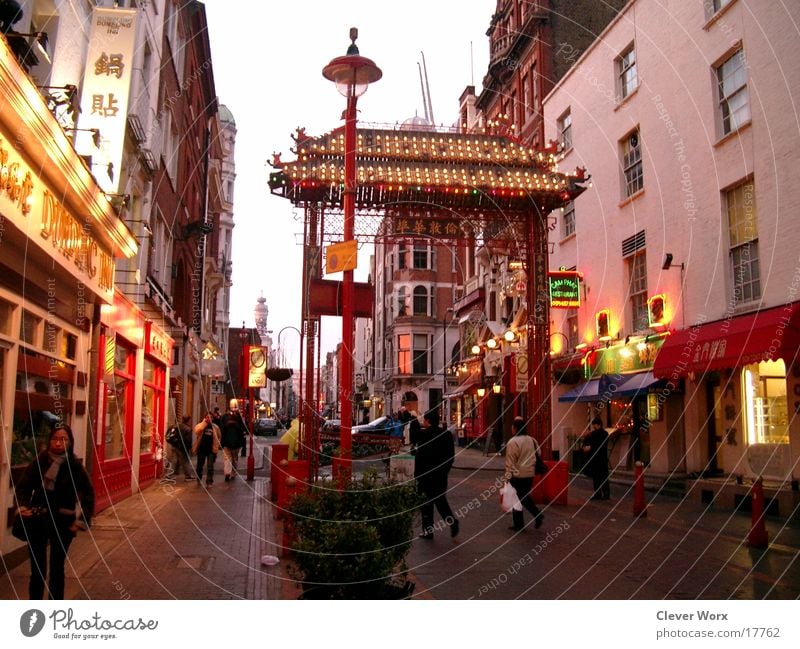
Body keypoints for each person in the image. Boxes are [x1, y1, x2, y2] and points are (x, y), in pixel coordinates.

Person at [13, 424, 95, 599]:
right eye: (55, 439)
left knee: (57, 568)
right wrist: (22, 507)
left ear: (70, 442)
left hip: (63, 522)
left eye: (63, 439)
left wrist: (81, 521)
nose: (58, 443)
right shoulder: (41, 461)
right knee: (37, 569)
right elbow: (23, 487)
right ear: (50, 440)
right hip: (38, 520)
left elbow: (89, 494)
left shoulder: (74, 466)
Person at [412, 410, 458, 539]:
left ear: (428, 421)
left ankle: (428, 530)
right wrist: (445, 470)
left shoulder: (425, 434)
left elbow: (413, 437)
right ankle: (452, 522)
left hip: (425, 475)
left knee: (426, 505)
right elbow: (450, 456)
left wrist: (413, 419)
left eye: (424, 420)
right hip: (440, 476)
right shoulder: (446, 434)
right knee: (440, 501)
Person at [503, 416, 544, 531]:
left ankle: (535, 516)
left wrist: (507, 478)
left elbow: (510, 462)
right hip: (530, 473)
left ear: (515, 428)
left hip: (517, 475)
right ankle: (521, 523)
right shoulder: (532, 440)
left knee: (518, 498)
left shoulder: (513, 442)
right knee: (523, 496)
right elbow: (538, 453)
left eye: (512, 427)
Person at [582, 417, 611, 500]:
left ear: (599, 425)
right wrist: (585, 446)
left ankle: (606, 494)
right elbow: (587, 441)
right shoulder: (593, 434)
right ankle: (597, 493)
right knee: (596, 478)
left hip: (601, 458)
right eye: (593, 425)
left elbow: (600, 445)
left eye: (595, 425)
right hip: (594, 459)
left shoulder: (604, 434)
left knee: (603, 477)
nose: (594, 427)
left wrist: (590, 447)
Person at [219, 399, 247, 482]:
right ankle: (233, 473)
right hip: (237, 443)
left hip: (226, 442)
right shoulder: (239, 418)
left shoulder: (224, 417)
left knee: (227, 458)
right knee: (235, 458)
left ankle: (227, 472)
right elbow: (243, 429)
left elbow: (222, 429)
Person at [193, 412, 221, 486]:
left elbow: (219, 436)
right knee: (199, 465)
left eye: (211, 417)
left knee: (210, 466)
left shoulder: (215, 427)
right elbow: (197, 431)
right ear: (205, 418)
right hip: (201, 449)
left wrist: (217, 445)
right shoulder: (201, 425)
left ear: (213, 418)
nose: (209, 419)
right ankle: (199, 477)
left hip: (211, 449)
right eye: (207, 417)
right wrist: (204, 423)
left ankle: (209, 481)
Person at [167, 415, 195, 481]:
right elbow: (188, 441)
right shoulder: (188, 429)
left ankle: (169, 475)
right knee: (185, 461)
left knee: (174, 460)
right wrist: (189, 448)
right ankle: (188, 476)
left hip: (174, 445)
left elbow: (169, 434)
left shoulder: (175, 426)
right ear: (188, 420)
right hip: (182, 447)